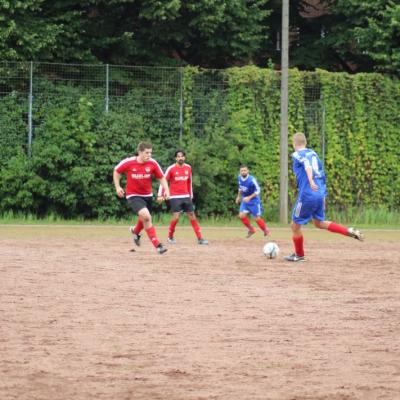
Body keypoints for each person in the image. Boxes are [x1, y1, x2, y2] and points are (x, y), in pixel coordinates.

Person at [284, 132, 364, 262]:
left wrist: (310, 180)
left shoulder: (298, 154)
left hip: (308, 193)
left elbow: (307, 166)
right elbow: (322, 175)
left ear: (294, 144)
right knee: (319, 223)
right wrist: (323, 196)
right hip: (319, 192)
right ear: (305, 142)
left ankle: (299, 255)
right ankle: (347, 231)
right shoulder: (314, 154)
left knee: (295, 226)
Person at [113, 141, 170, 254]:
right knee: (147, 217)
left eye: (150, 153)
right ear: (139, 152)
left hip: (147, 196)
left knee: (144, 218)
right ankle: (158, 246)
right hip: (133, 195)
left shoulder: (153, 163)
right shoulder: (129, 162)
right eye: (146, 153)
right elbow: (116, 171)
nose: (149, 155)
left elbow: (161, 177)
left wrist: (167, 190)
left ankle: (135, 231)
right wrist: (118, 187)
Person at [157, 149, 208, 245]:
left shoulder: (188, 168)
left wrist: (190, 195)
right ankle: (170, 237)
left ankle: (200, 238)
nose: (180, 158)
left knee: (192, 215)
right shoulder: (171, 168)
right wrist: (160, 194)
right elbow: (163, 181)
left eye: (182, 156)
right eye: (178, 156)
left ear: (184, 157)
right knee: (176, 217)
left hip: (186, 196)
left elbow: (189, 182)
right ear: (175, 158)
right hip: (175, 196)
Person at [236, 165, 270, 238]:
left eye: (245, 170)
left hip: (254, 201)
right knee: (241, 215)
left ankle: (265, 230)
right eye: (241, 171)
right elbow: (240, 188)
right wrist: (238, 196)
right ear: (240, 172)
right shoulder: (239, 177)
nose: (243, 172)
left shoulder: (252, 179)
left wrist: (249, 197)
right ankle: (251, 230)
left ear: (248, 171)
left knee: (256, 218)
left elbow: (258, 190)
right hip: (245, 200)